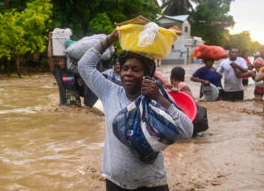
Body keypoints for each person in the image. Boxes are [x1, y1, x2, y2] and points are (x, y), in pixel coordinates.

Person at [78, 30, 193, 191]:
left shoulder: (158, 94)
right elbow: (84, 66)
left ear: (147, 74)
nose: (128, 74)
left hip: (152, 184)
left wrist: (159, 98)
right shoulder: (110, 92)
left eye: (135, 69)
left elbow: (187, 131)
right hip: (116, 183)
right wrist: (111, 38)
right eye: (125, 68)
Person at [48, 32, 81, 106]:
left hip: (76, 104)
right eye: (60, 61)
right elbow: (50, 57)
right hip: (63, 105)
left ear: (67, 61)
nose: (62, 63)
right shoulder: (57, 72)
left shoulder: (73, 69)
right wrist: (50, 40)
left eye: (63, 61)